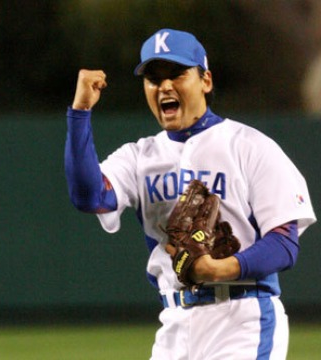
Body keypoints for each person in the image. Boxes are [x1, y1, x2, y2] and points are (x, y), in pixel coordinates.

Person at [64, 28, 317, 359]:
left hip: (244, 318)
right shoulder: (139, 157)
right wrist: (80, 113)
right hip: (175, 324)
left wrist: (221, 268)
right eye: (154, 78)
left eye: (177, 74)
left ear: (205, 81)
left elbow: (284, 243)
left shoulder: (250, 147)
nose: (164, 86)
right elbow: (89, 196)